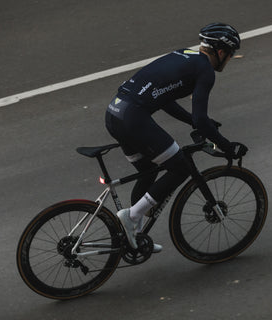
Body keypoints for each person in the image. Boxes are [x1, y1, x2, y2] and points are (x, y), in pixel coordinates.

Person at [104, 23, 248, 251]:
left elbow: (165, 100)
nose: (228, 60)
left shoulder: (183, 54)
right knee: (180, 167)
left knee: (147, 169)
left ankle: (135, 236)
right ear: (221, 52)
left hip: (114, 113)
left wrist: (196, 121)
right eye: (229, 55)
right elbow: (201, 119)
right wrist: (226, 146)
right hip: (133, 119)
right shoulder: (205, 71)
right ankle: (131, 218)